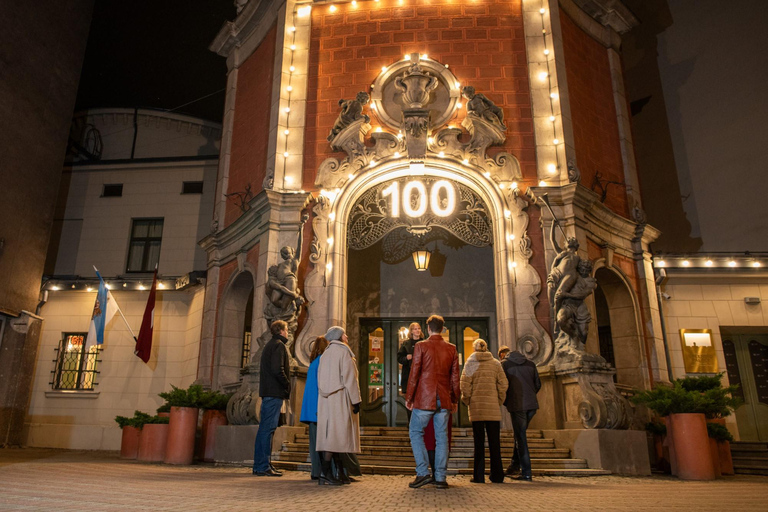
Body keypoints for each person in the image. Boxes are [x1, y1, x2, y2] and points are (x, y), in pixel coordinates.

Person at [405, 315, 460, 490]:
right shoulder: (452, 349)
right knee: (442, 438)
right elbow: (455, 378)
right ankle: (441, 477)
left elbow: (414, 373)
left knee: (415, 432)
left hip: (424, 398)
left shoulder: (421, 346)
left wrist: (409, 397)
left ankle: (422, 472)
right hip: (443, 399)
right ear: (442, 329)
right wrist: (455, 399)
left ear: (428, 328)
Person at [316, 326, 362, 486]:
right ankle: (325, 473)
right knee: (339, 436)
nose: (347, 337)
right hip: (341, 398)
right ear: (340, 337)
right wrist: (356, 400)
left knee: (333, 436)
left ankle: (338, 473)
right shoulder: (344, 352)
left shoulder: (325, 354)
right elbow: (350, 378)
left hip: (326, 400)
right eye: (345, 334)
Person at [460, 339, 508, 484]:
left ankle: (478, 476)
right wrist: (498, 400)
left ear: (474, 349)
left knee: (478, 444)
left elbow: (464, 385)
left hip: (477, 409)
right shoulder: (495, 363)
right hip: (492, 408)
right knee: (495, 443)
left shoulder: (470, 363)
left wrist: (467, 400)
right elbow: (503, 384)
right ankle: (497, 475)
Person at [252, 320, 291, 477]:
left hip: (270, 392)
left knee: (266, 429)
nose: (288, 332)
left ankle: (262, 464)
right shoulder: (278, 345)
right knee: (267, 429)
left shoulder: (271, 344)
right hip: (273, 393)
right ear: (281, 331)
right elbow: (277, 369)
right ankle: (262, 465)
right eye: (287, 330)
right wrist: (287, 384)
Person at [502, 349, 542, 481]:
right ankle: (514, 465)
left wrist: (507, 400)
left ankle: (526, 472)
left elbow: (503, 385)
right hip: (531, 405)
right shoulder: (531, 364)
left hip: (517, 404)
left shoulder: (505, 365)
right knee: (519, 435)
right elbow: (538, 384)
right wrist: (530, 396)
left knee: (521, 438)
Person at [299, 336, 329, 480]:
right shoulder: (323, 362)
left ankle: (315, 471)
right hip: (319, 408)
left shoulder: (313, 363)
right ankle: (321, 471)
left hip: (311, 409)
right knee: (322, 442)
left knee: (314, 443)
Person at [397, 322, 423, 421]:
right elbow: (399, 358)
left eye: (419, 328)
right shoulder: (406, 344)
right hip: (408, 376)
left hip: (421, 377)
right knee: (410, 401)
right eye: (415, 329)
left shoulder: (424, 342)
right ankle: (411, 423)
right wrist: (406, 358)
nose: (417, 330)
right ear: (411, 331)